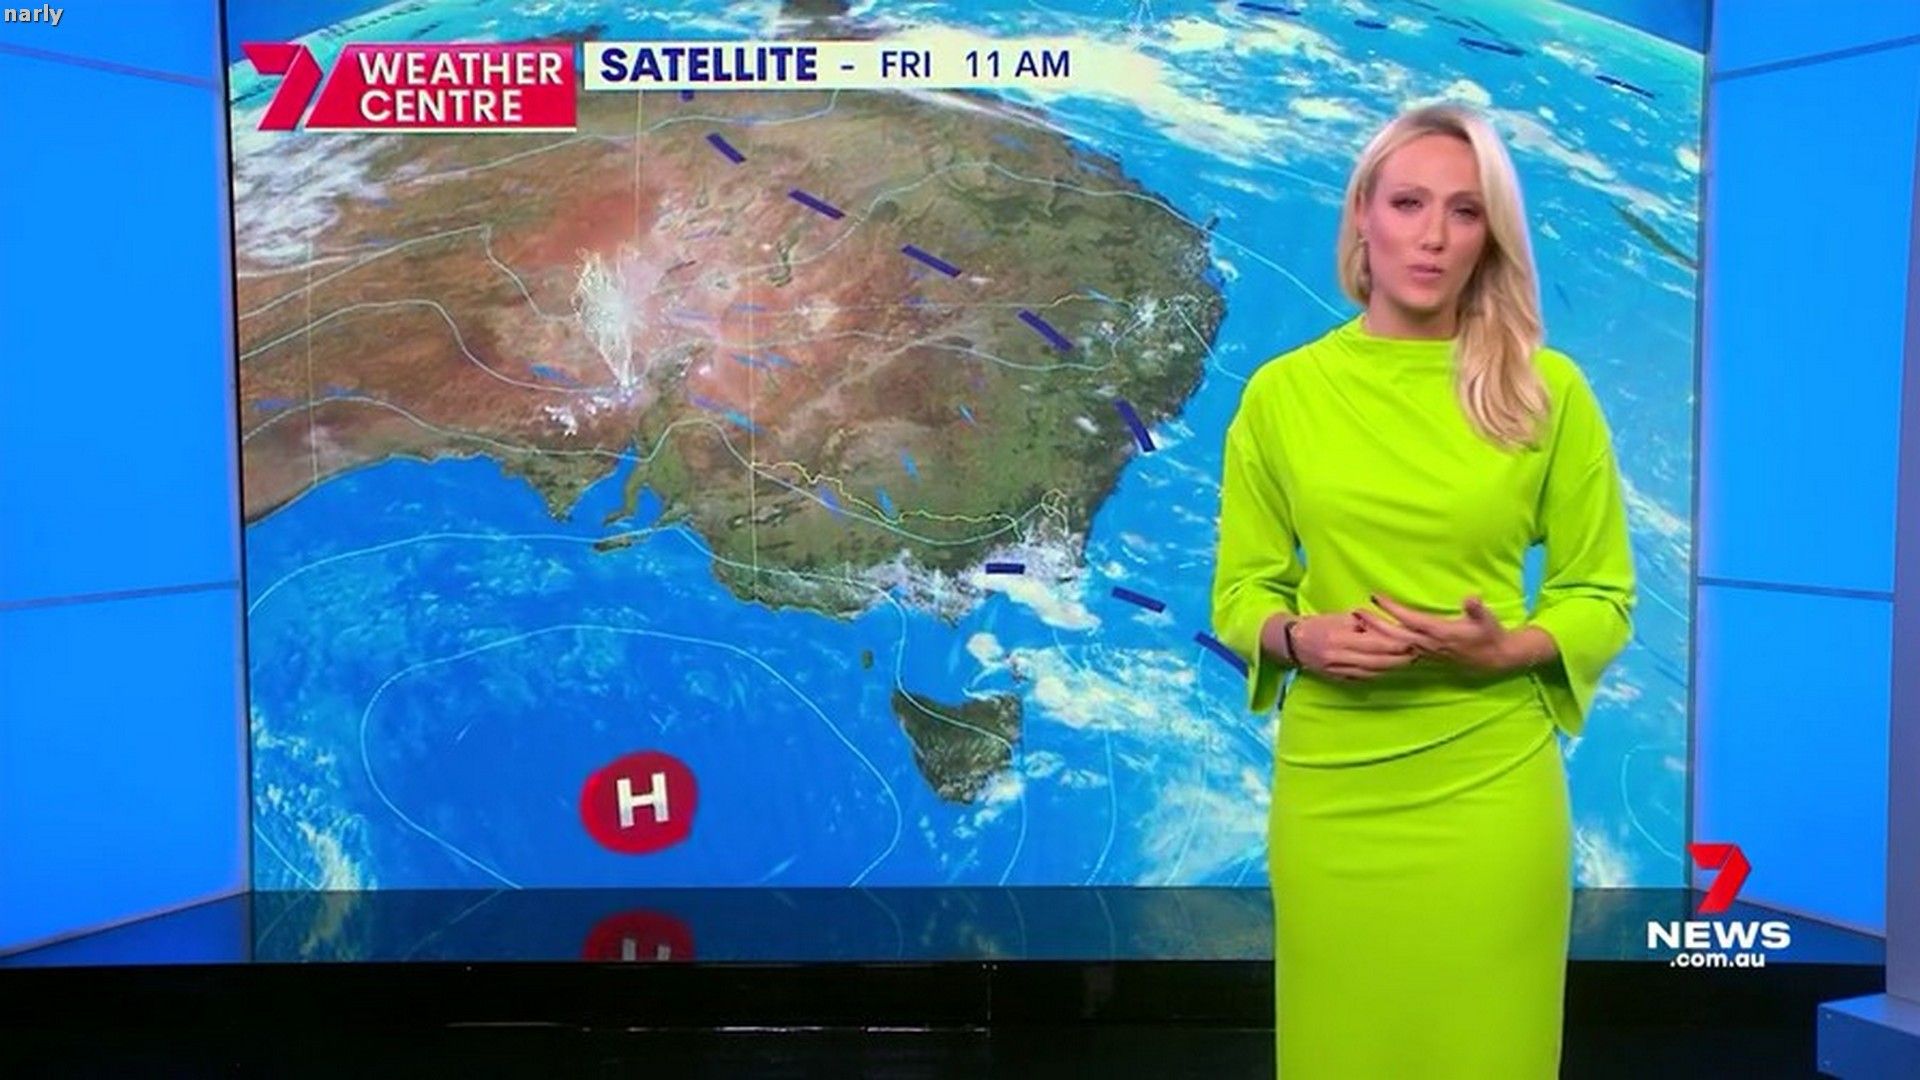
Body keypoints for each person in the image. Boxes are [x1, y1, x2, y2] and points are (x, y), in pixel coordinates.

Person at [1209, 102, 1637, 1078]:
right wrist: (1299, 638)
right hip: (1335, 795)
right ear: (1363, 214)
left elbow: (1599, 592)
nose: (1434, 235)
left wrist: (1512, 647)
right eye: (1408, 203)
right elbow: (1241, 592)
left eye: (1465, 210)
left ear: (1491, 236)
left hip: (1491, 792)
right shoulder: (1282, 396)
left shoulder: (1546, 392)